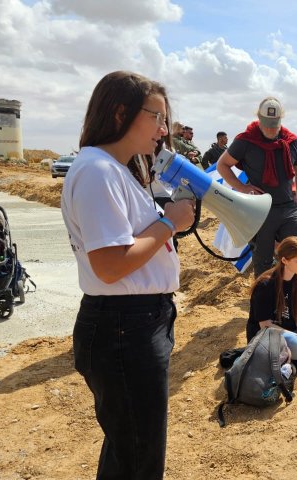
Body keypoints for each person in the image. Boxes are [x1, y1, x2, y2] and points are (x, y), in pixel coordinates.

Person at [60, 71, 195, 479]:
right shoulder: (99, 171)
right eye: (157, 117)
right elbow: (111, 264)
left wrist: (167, 222)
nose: (164, 130)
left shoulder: (116, 170)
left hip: (134, 323)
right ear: (120, 112)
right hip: (126, 326)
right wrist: (168, 223)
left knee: (129, 448)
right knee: (139, 456)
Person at [217, 97, 297, 277]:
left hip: (289, 208)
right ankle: (265, 302)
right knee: (263, 262)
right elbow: (222, 165)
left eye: (274, 125)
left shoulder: (291, 141)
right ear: (259, 119)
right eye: (266, 124)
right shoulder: (246, 141)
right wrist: (242, 187)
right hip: (260, 211)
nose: (270, 129)